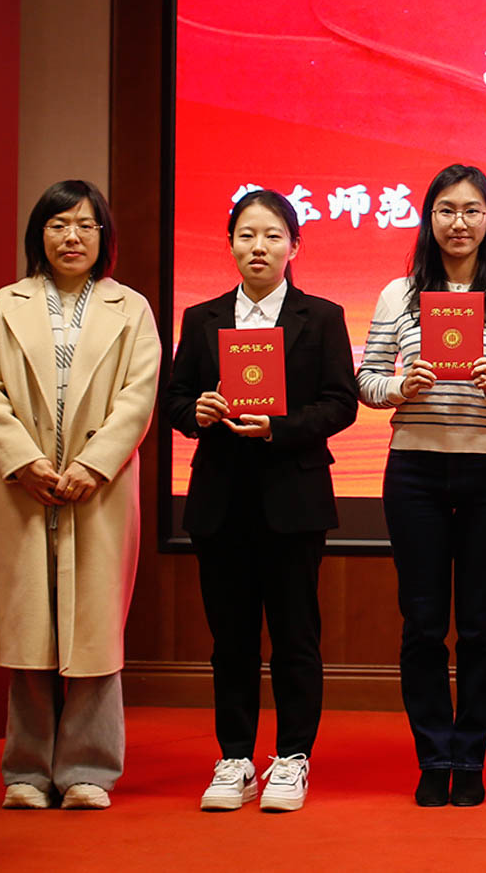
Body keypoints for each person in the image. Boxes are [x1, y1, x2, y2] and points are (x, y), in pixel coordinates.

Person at [165, 188, 359, 812]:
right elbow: (175, 399)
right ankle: (236, 758)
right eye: (247, 235)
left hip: (293, 498)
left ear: (294, 246)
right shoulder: (201, 318)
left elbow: (341, 403)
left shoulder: (321, 316)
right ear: (229, 244)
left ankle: (293, 757)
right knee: (231, 640)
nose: (259, 247)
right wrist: (196, 413)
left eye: (273, 235)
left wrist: (279, 427)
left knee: (296, 637)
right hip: (220, 499)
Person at [357, 164, 486, 807]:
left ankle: (471, 758)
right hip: (415, 470)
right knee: (422, 623)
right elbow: (367, 379)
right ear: (429, 218)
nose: (458, 222)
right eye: (445, 210)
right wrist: (400, 386)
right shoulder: (399, 295)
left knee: (481, 626)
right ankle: (433, 756)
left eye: (471, 210)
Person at [0, 180, 161, 810]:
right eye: (58, 225)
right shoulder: (5, 305)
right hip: (24, 487)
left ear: (103, 236)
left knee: (95, 631)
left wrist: (93, 464)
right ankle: (26, 771)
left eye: (85, 225)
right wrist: (23, 462)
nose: (71, 237)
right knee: (31, 627)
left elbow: (138, 397)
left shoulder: (131, 308)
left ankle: (88, 770)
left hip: (100, 488)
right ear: (40, 235)